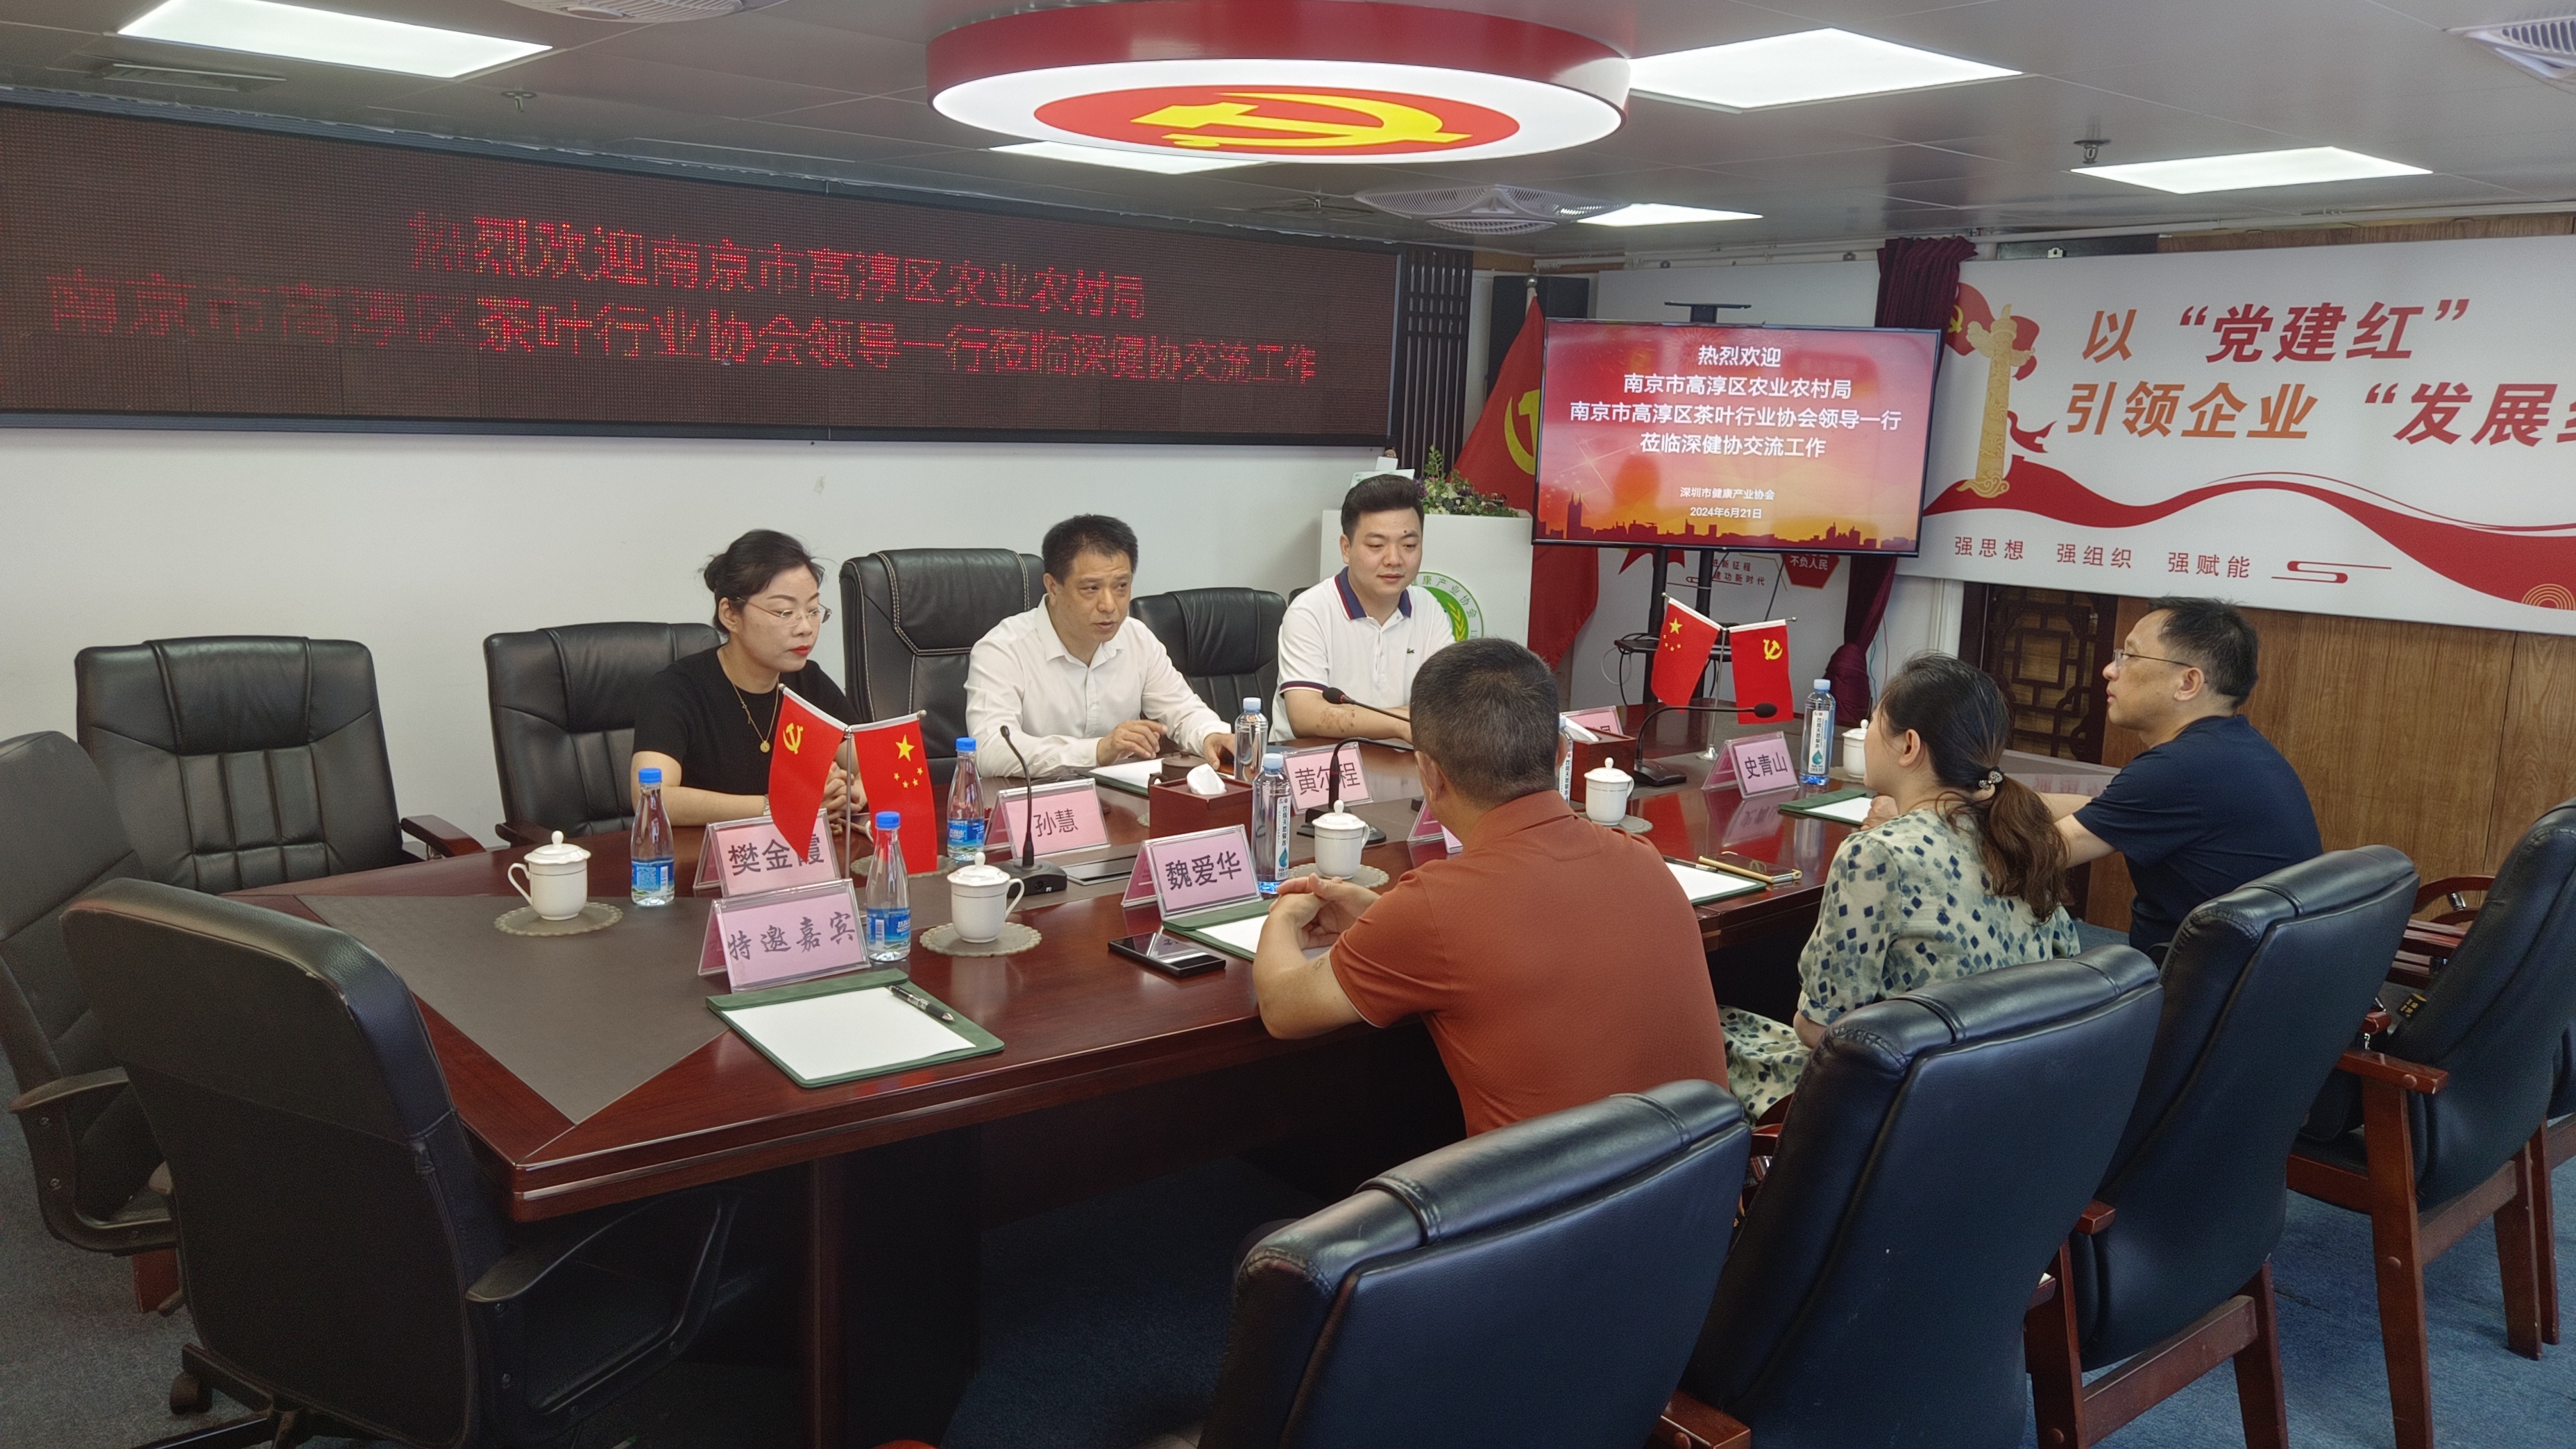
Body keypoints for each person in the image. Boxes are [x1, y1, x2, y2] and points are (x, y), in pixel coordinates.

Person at [1250, 638, 1729, 1135]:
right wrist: (1384, 918)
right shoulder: (1644, 860)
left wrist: (1284, 915)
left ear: (1429, 775)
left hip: (1554, 1189)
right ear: (1561, 754)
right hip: (1707, 1178)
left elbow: (1282, 1009)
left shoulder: (1435, 908)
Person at [1726, 653, 2083, 1120]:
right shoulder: (2021, 838)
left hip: (1895, 1103)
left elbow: (1824, 1029)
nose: (1867, 730)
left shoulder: (1877, 854)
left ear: (1909, 745)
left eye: (1874, 719)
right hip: (2000, 1097)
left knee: (1708, 1027)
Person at [2047, 597, 2321, 958]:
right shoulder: (2229, 748)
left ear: (2188, 683)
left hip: (2193, 982)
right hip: (2258, 971)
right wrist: (1994, 792)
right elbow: (2104, 812)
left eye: (2130, 656)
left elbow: (2037, 855)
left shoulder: (2180, 769)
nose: (2110, 670)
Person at [965, 514, 1232, 777]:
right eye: (1091, 588)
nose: (1109, 605)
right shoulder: (1003, 649)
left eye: (1121, 586)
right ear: (1053, 587)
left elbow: (1182, 710)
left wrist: (1211, 735)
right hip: (1033, 800)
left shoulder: (1137, 638)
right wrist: (1098, 750)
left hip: (1117, 799)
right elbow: (991, 750)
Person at [632, 529, 858, 828]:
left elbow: (875, 764)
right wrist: (780, 806)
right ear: (730, 615)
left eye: (813, 611)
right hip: (705, 854)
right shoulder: (676, 689)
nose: (806, 627)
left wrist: (851, 794)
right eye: (784, 612)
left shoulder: (808, 681)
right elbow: (652, 797)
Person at [1274, 473, 1454, 742]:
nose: (1394, 559)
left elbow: (1449, 703)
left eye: (1409, 545)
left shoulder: (1428, 608)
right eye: (1376, 545)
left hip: (1402, 764)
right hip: (1321, 764)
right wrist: (1400, 722)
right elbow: (1305, 715)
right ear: (1346, 549)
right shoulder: (1310, 612)